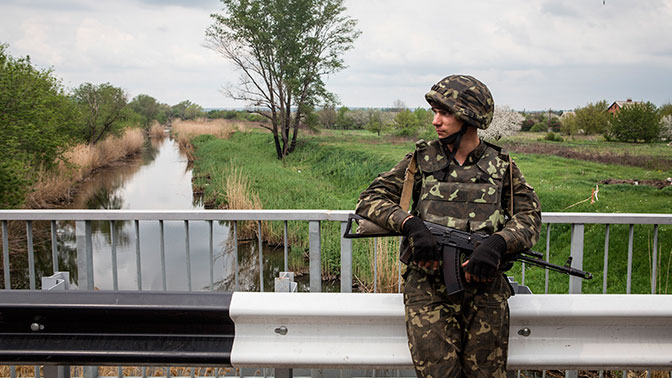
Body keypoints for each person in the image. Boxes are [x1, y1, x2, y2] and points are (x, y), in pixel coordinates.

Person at [355, 74, 542, 377]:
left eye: (444, 113)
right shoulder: (421, 160)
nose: (435, 121)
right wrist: (411, 225)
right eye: (435, 113)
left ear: (469, 118)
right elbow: (370, 199)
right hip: (428, 289)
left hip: (485, 291)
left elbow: (529, 218)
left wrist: (498, 244)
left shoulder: (501, 166)